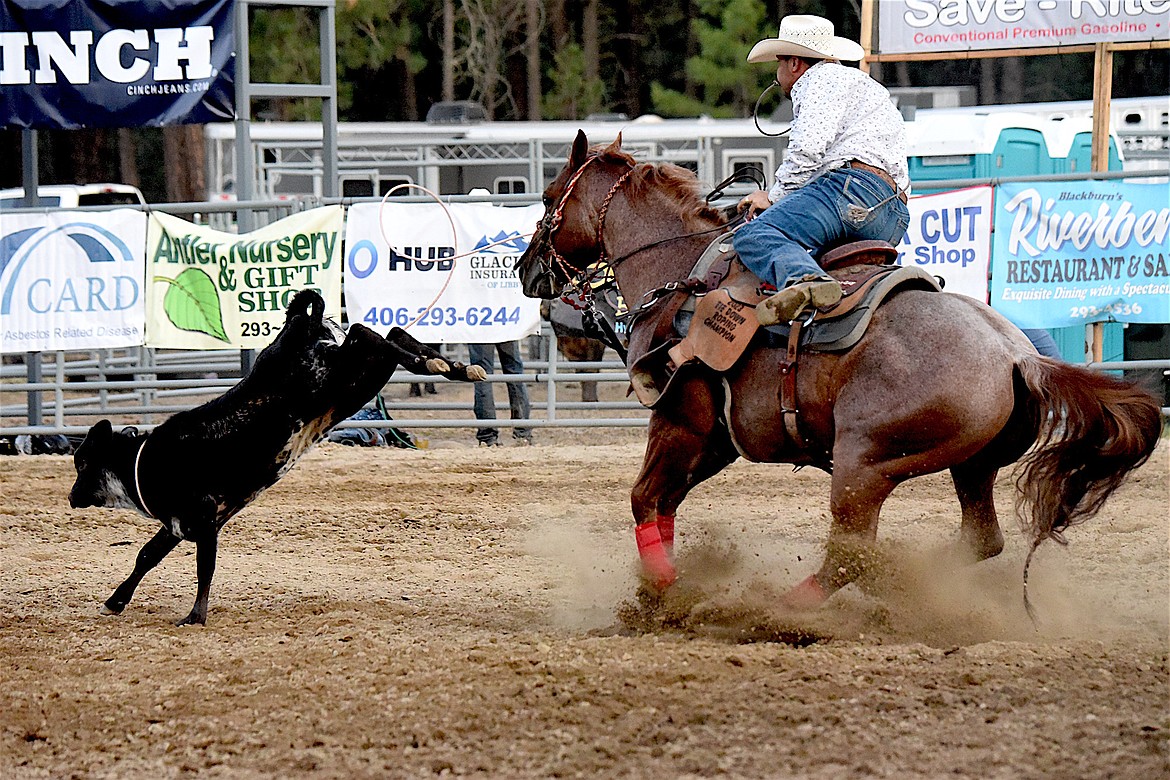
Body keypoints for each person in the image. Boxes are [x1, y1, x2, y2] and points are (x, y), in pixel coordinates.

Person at [734, 14, 911, 325]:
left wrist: (774, 198)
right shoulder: (859, 85)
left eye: (779, 63)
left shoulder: (818, 80)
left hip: (851, 193)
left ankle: (807, 283)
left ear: (794, 64)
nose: (777, 74)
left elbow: (808, 148)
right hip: (891, 215)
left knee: (754, 234)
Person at [468, 341, 533, 446]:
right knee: (514, 372)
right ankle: (522, 433)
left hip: (480, 329)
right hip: (506, 327)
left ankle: (487, 436)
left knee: (481, 374)